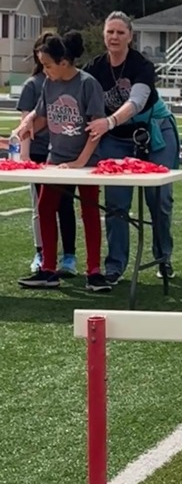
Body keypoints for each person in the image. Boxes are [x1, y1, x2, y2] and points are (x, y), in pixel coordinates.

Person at [83, 11, 180, 284]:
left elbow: (135, 102)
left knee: (159, 198)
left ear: (130, 36)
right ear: (104, 35)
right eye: (110, 32)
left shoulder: (142, 65)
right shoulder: (94, 68)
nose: (114, 37)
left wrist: (109, 121)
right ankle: (115, 266)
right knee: (116, 202)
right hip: (115, 137)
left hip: (153, 130)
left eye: (120, 32)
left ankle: (163, 257)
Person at [16, 31, 111, 293]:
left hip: (87, 161)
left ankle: (94, 272)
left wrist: (80, 162)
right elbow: (43, 117)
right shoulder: (49, 84)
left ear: (64, 62)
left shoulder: (88, 84)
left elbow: (95, 129)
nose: (44, 71)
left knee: (89, 211)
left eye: (47, 65)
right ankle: (48, 269)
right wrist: (27, 129)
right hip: (55, 159)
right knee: (46, 207)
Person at [17, 32, 77, 275]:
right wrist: (24, 159)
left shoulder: (69, 81)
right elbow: (27, 122)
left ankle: (68, 256)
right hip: (40, 153)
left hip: (63, 154)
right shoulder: (33, 85)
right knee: (40, 207)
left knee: (65, 205)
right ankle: (41, 252)